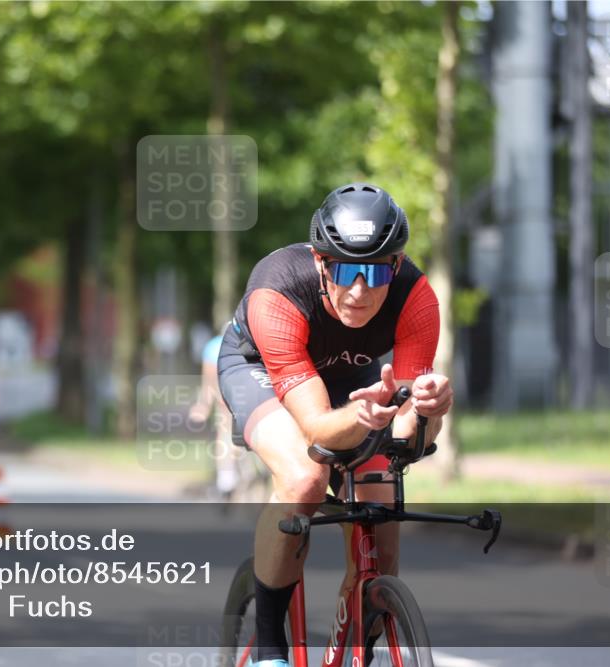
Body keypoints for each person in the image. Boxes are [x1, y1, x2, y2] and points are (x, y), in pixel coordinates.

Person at [217, 183, 453, 666]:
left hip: (357, 380)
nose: (360, 290)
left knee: (381, 511)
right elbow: (319, 429)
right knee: (305, 477)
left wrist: (429, 411)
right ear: (322, 262)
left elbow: (410, 439)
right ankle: (268, 648)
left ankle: (363, 629)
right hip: (259, 368)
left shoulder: (416, 297)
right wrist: (365, 420)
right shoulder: (277, 289)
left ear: (394, 265)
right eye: (346, 269)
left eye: (373, 271)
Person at [188, 331, 239, 499]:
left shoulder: (213, 346)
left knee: (224, 433)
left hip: (227, 395)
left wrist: (204, 405)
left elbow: (209, 381)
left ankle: (226, 479)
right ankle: (228, 477)